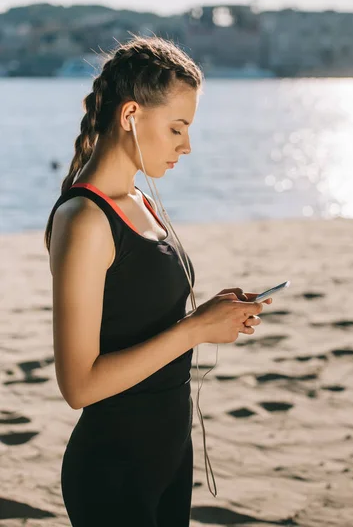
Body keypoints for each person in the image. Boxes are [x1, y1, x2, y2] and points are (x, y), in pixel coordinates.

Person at [44, 35, 268, 526]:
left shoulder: (142, 201)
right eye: (176, 128)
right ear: (130, 116)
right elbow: (78, 385)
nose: (186, 146)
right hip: (114, 469)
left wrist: (213, 314)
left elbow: (141, 317)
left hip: (168, 458)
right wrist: (195, 330)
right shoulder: (84, 218)